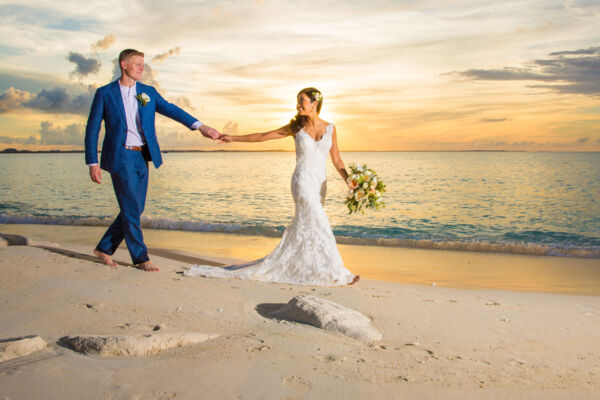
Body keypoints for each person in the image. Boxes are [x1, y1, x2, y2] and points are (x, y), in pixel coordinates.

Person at [185, 87, 360, 286]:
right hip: (302, 181)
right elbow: (263, 136)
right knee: (319, 221)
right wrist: (234, 138)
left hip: (319, 183)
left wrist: (348, 179)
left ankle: (308, 267)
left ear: (314, 103)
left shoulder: (331, 128)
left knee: (307, 225)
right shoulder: (296, 127)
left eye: (302, 100)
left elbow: (336, 159)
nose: (298, 104)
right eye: (297, 100)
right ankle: (333, 270)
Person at [84, 48, 221, 271]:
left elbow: (171, 109)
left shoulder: (148, 92)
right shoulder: (105, 93)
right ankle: (140, 258)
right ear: (123, 64)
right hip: (120, 155)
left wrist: (200, 127)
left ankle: (104, 248)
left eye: (143, 64)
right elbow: (92, 129)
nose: (141, 68)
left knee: (135, 208)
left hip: (142, 156)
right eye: (137, 63)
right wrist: (92, 162)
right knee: (130, 208)